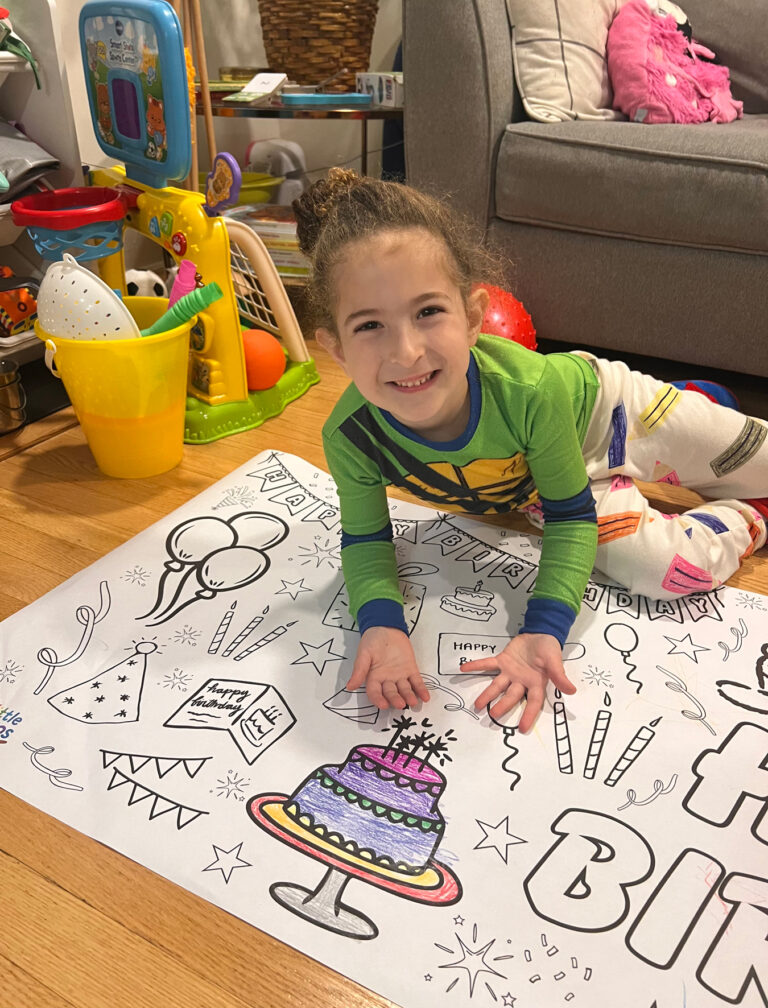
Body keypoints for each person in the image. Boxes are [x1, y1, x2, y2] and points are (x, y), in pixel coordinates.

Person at [292, 168, 768, 733]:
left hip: (607, 414)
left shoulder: (529, 389)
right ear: (336, 350)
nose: (407, 351)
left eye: (428, 312)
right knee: (668, 570)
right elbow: (368, 539)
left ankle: (692, 402)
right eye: (370, 324)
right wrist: (381, 624)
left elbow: (569, 516)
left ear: (473, 318)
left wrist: (542, 624)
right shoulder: (349, 437)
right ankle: (753, 512)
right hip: (541, 487)